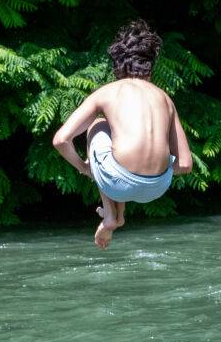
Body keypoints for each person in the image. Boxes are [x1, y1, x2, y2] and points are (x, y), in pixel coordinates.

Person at [52, 20, 192, 249]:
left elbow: (60, 140)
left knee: (98, 125)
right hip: (157, 187)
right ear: (150, 64)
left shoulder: (107, 92)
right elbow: (185, 165)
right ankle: (119, 213)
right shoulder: (165, 98)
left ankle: (110, 215)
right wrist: (155, 172)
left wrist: (86, 169)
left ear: (117, 63)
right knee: (121, 150)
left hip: (116, 182)